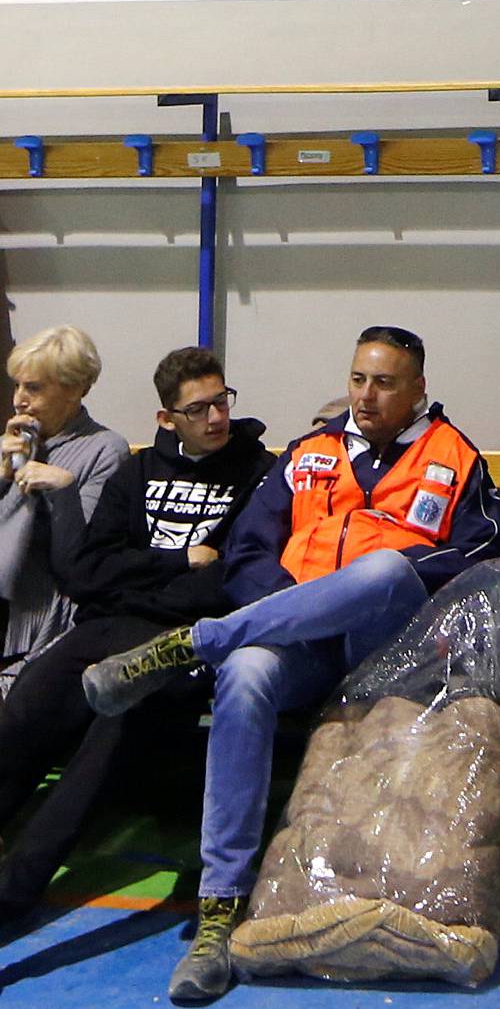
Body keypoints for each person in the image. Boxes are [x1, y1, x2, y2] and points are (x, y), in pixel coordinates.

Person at [82, 324, 500, 1007]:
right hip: (300, 647)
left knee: (382, 568)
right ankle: (220, 909)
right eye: (359, 379)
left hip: (390, 646)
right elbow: (251, 549)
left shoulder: (454, 456)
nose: (367, 396)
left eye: (386, 383)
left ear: (419, 390)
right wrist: (294, 607)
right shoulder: (308, 454)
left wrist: (378, 582)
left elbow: (483, 555)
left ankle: (194, 642)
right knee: (246, 673)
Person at [0, 345, 272, 929]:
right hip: (106, 624)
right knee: (26, 713)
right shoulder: (139, 469)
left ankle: (13, 890)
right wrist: (178, 561)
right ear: (166, 418)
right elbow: (86, 570)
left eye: (221, 401)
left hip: (186, 640)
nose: (216, 418)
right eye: (197, 409)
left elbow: (234, 578)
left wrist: (149, 575)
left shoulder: (258, 474)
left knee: (109, 739)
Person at [0, 325, 129, 691]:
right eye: (18, 386)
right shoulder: (9, 446)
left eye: (34, 388)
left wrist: (63, 493)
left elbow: (77, 565)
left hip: (39, 620)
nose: (19, 400)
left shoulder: (105, 450)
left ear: (74, 390)